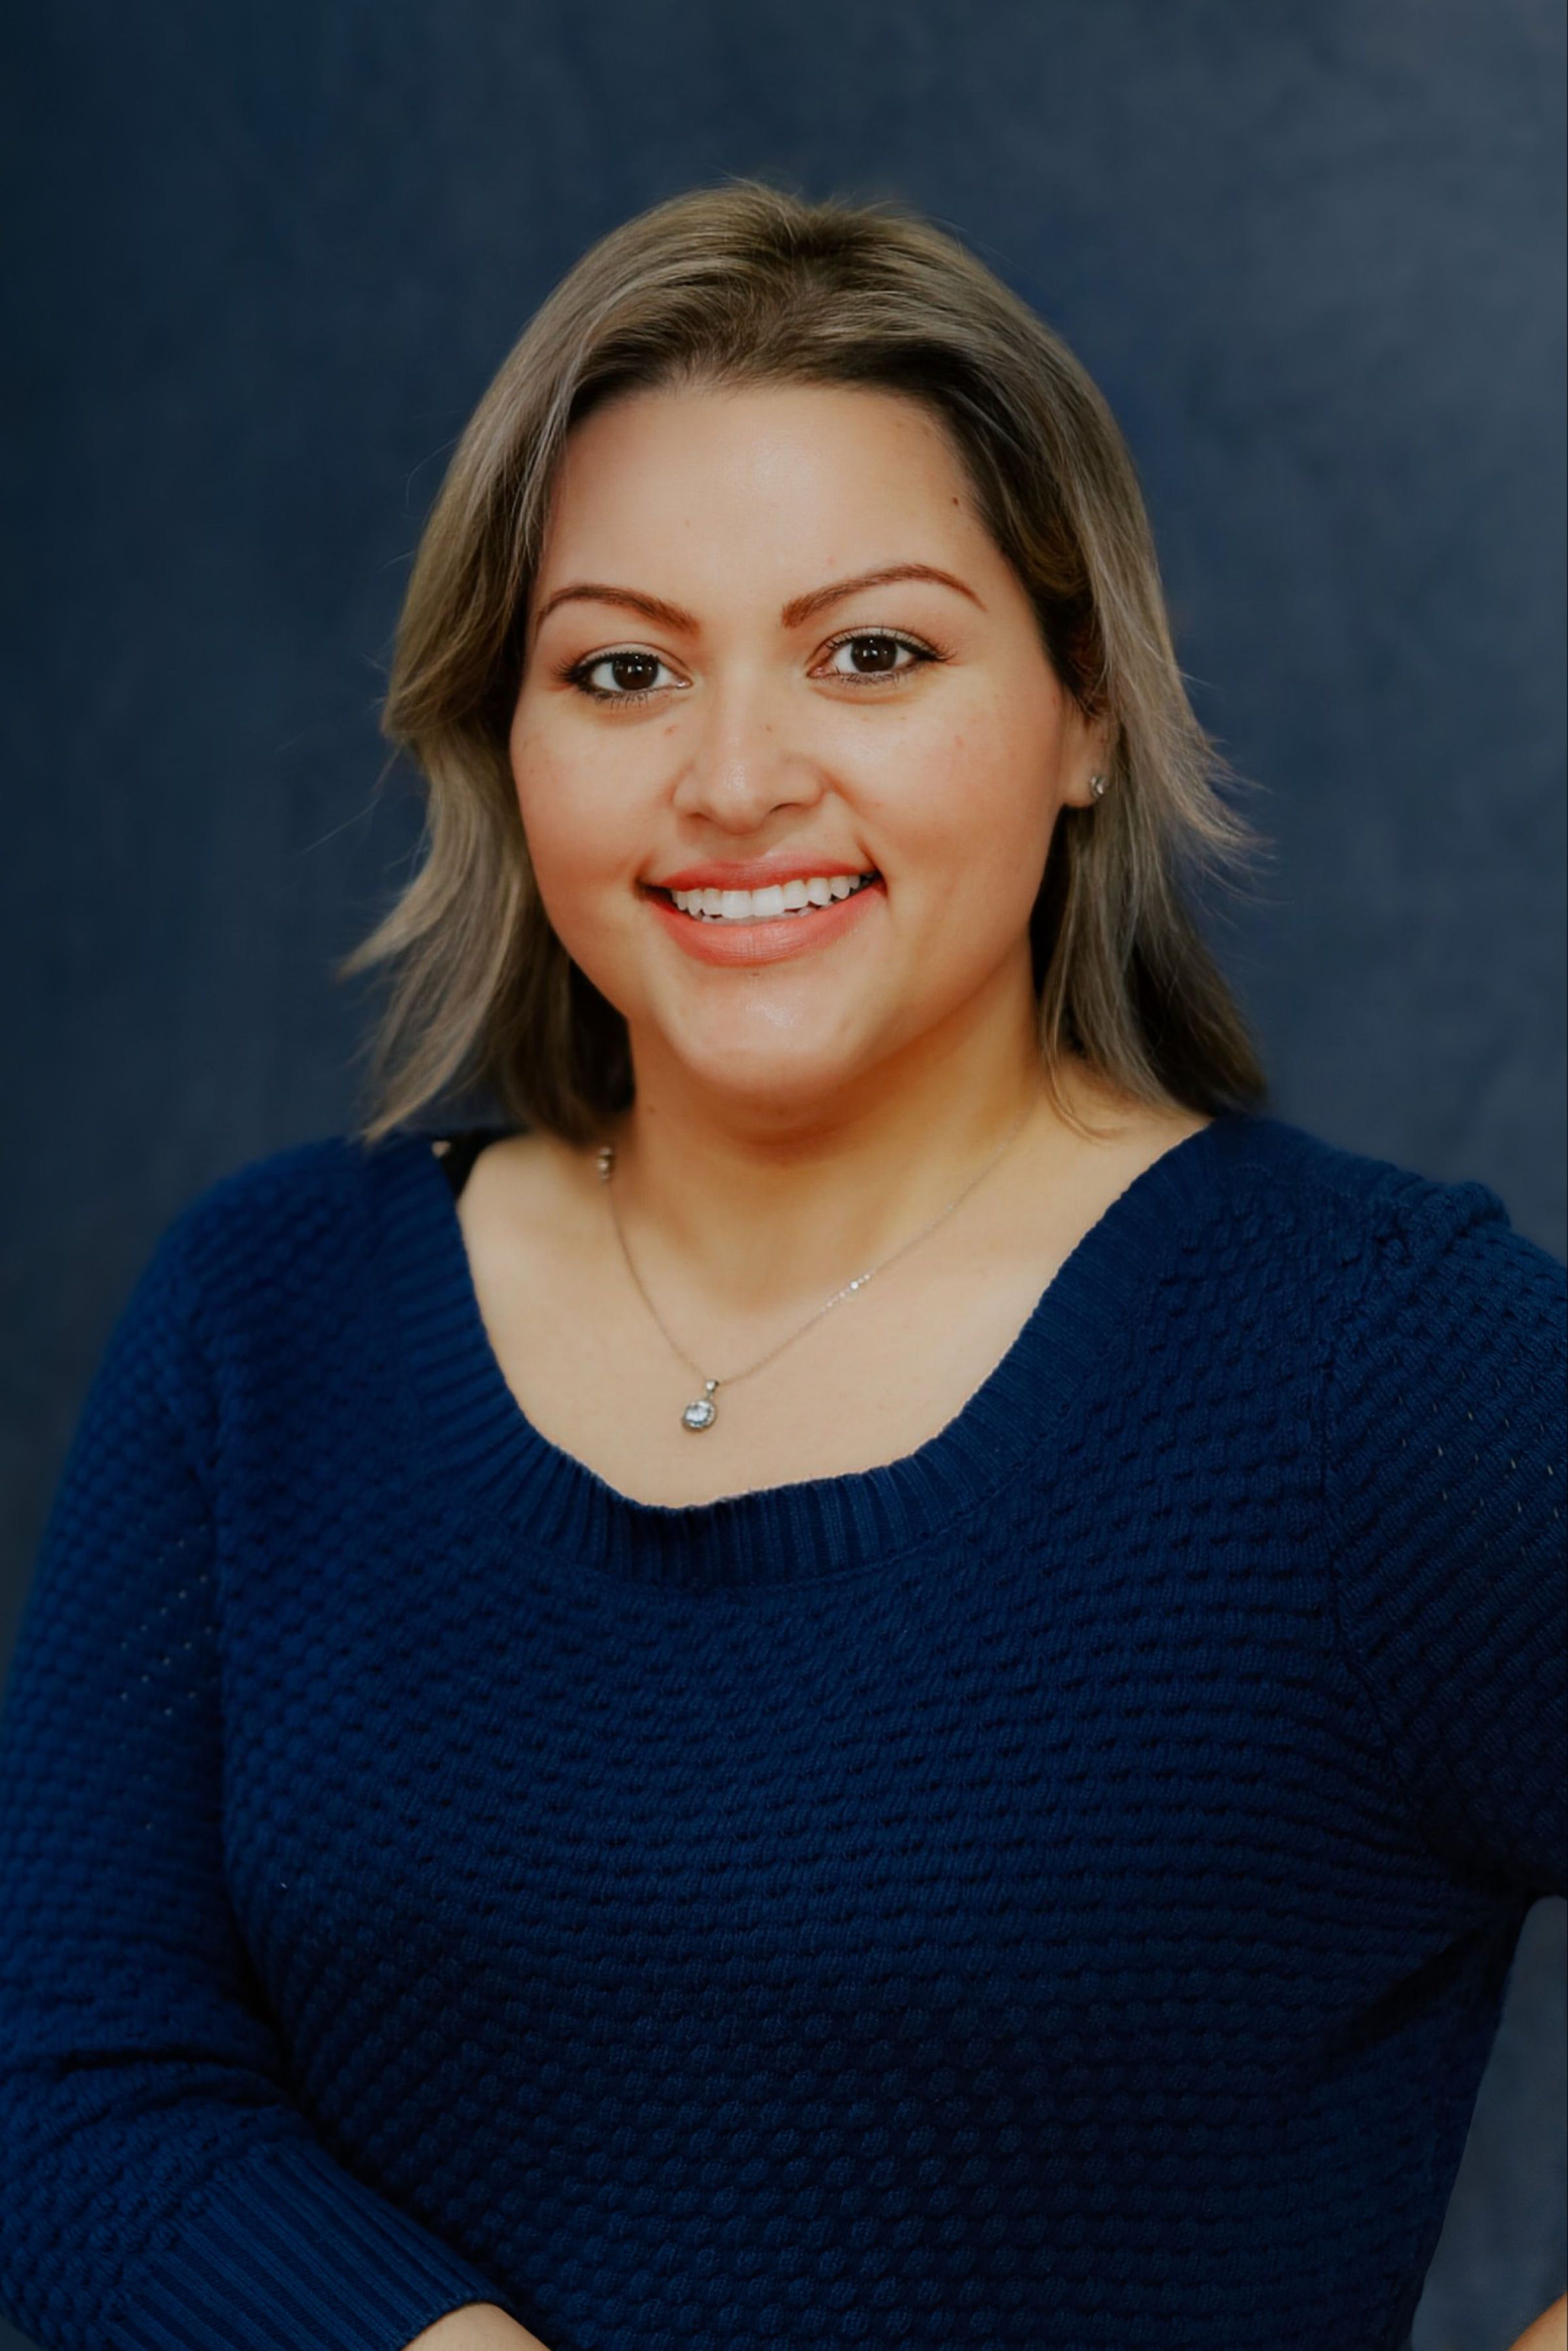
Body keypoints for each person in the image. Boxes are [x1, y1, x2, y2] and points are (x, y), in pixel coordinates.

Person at [0, 180, 1561, 2351]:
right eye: (621, 668)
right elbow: (73, 2090)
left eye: (875, 653)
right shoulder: (267, 1323)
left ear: (1083, 709)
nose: (734, 777)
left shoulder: (1371, 1372)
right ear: (503, 730)